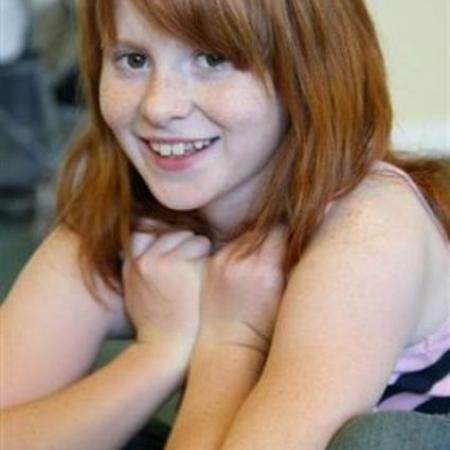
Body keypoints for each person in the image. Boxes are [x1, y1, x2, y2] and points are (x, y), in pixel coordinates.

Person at [1, 0, 449, 449]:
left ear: (309, 70)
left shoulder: (369, 231)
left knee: (376, 440)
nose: (159, 106)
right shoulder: (128, 215)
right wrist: (158, 353)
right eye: (133, 60)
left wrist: (231, 343)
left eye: (212, 59)